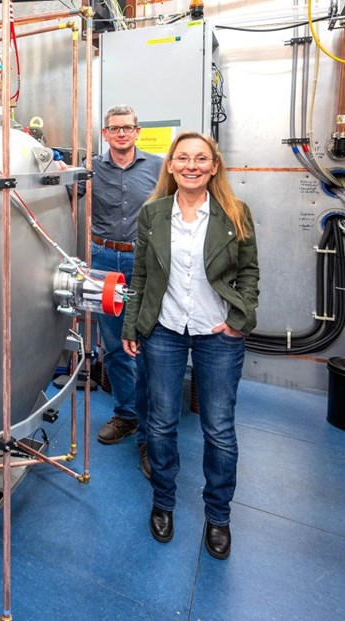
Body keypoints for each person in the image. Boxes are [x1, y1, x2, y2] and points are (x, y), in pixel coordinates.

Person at [121, 132, 259, 560]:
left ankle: (218, 516)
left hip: (217, 332)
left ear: (214, 166)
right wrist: (132, 325)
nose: (192, 165)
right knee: (160, 423)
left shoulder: (235, 213)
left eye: (201, 159)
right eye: (183, 158)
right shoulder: (154, 214)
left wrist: (239, 321)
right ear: (171, 165)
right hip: (163, 329)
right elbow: (141, 276)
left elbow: (250, 273)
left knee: (218, 429)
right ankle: (164, 503)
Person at [85, 105, 162, 479]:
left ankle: (149, 434)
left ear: (137, 131)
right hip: (102, 259)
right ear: (105, 133)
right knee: (114, 344)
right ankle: (126, 415)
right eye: (114, 129)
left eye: (127, 128)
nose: (120, 134)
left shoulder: (158, 167)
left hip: (142, 261)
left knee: (146, 343)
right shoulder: (91, 168)